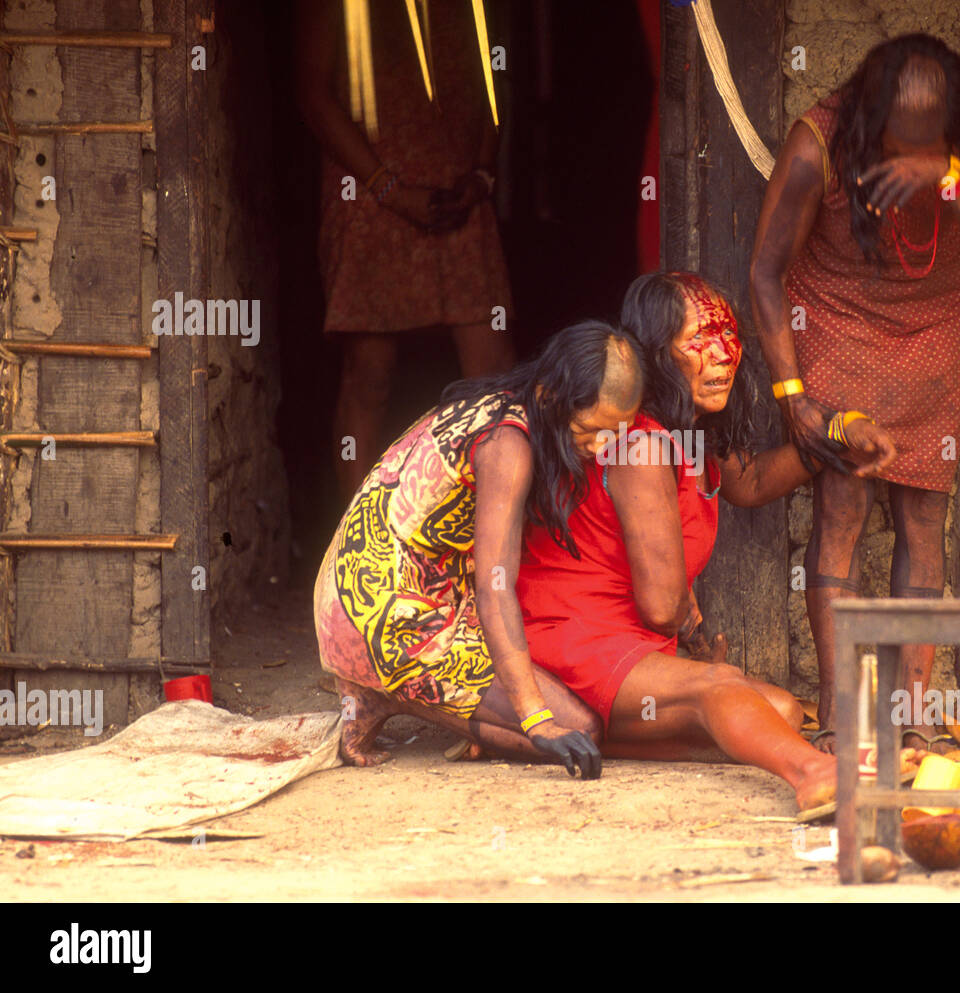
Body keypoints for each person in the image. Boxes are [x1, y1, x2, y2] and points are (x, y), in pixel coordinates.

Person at [512, 272, 898, 812]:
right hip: (572, 637)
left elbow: (753, 481)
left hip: (623, 647)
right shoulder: (640, 443)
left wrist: (835, 434)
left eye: (727, 335)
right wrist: (693, 637)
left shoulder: (689, 435)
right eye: (697, 340)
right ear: (655, 354)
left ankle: (573, 736)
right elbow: (661, 604)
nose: (721, 354)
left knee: (781, 711)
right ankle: (815, 774)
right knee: (721, 688)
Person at [749, 34, 960, 753]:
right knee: (842, 502)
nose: (907, 159)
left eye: (924, 144)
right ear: (871, 119)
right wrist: (793, 396)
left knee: (925, 514)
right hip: (838, 317)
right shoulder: (819, 143)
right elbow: (765, 274)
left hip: (934, 328)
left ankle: (912, 716)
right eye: (898, 146)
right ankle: (843, 714)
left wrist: (948, 175)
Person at [313, 321, 645, 779]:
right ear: (551, 395)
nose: (599, 447)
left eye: (614, 434)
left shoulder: (508, 404)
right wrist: (535, 718)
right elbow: (495, 586)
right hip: (382, 615)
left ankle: (393, 692)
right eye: (589, 430)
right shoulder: (507, 444)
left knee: (563, 719)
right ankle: (383, 693)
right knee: (579, 729)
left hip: (367, 593)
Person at [295, 0, 517, 502]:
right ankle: (356, 544)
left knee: (494, 374)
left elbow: (494, 71)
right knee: (369, 373)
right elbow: (312, 93)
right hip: (369, 189)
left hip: (459, 192)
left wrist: (482, 171)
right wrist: (387, 187)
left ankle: (494, 538)